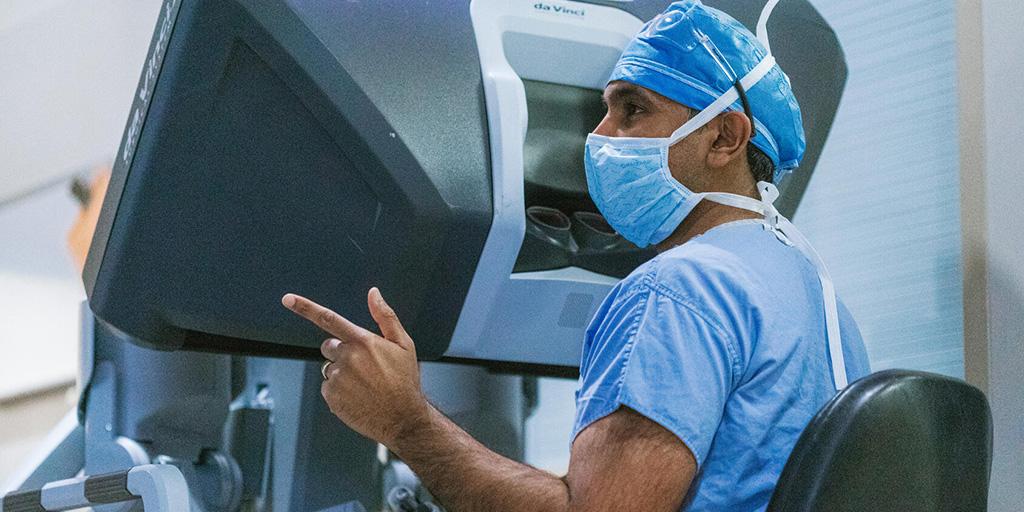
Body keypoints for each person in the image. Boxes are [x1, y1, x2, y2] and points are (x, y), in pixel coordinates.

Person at [282, 1, 870, 510]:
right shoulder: (813, 292)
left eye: (633, 110)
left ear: (725, 138)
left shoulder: (679, 289)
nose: (600, 136)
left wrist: (406, 422)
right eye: (603, 110)